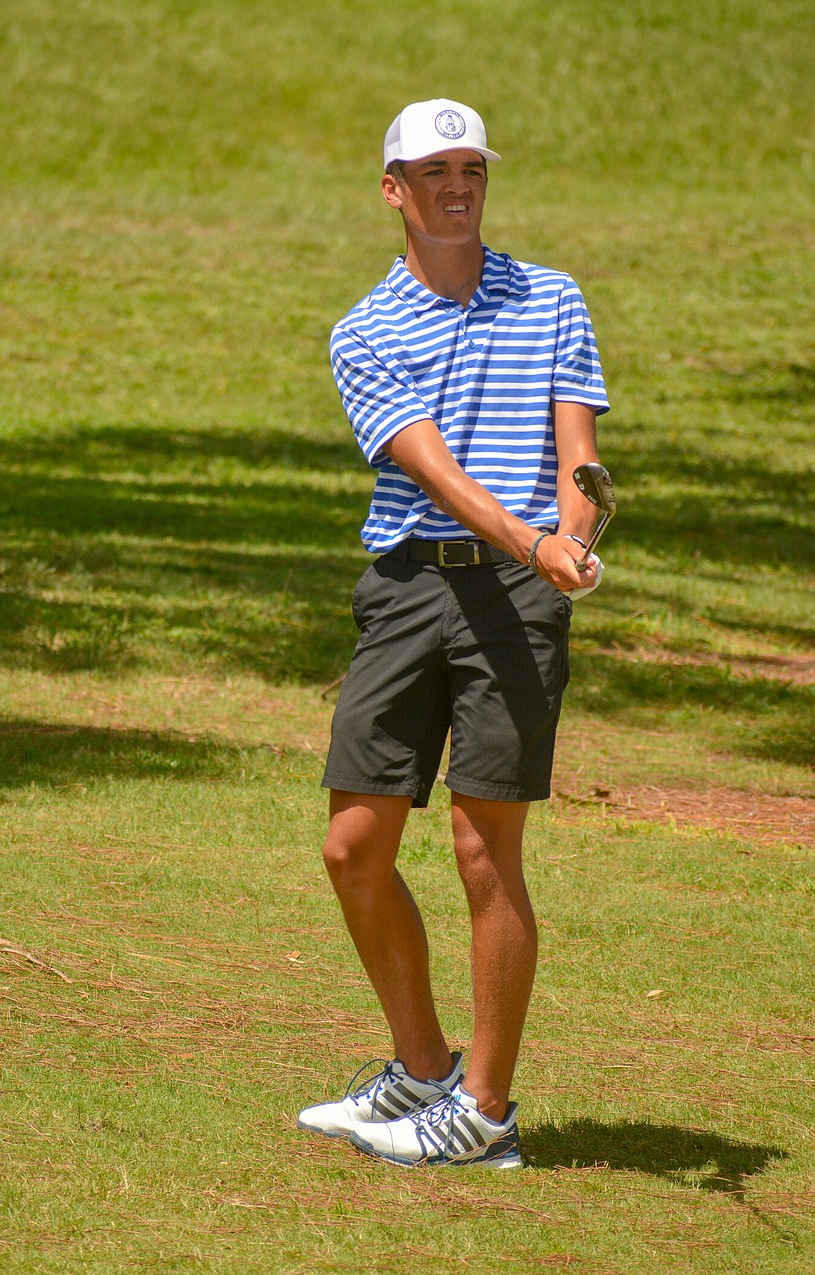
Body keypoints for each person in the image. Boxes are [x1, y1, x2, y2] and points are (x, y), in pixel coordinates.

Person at [297, 99, 610, 1168]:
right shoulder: (363, 330)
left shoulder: (553, 298)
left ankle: (483, 1112)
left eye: (470, 165)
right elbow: (433, 470)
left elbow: (579, 453)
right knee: (354, 848)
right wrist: (536, 543)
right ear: (394, 190)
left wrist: (575, 531)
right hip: (409, 588)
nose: (456, 185)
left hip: (519, 601)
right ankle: (422, 1067)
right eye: (433, 171)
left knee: (485, 851)